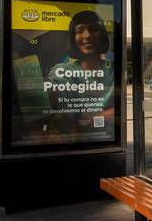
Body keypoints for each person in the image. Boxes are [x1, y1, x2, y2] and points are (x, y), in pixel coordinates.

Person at [46, 10, 115, 139]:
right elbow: (50, 102)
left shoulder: (111, 70)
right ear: (73, 37)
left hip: (104, 141)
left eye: (94, 29)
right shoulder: (62, 71)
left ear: (102, 35)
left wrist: (96, 117)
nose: (87, 35)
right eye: (80, 30)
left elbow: (119, 109)